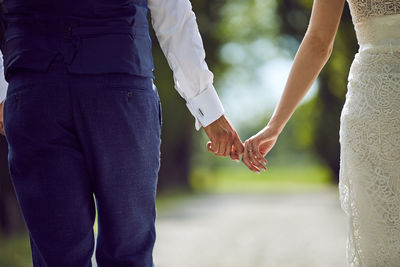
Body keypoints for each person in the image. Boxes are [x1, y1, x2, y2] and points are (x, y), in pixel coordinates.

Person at [0, 0, 244, 266]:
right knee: (127, 252)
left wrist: (3, 91)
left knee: (58, 255)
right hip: (118, 91)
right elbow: (173, 13)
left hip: (37, 91)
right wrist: (207, 109)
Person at [242, 0, 400, 265]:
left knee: (381, 241)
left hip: (373, 104)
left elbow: (318, 41)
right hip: (374, 110)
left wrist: (275, 125)